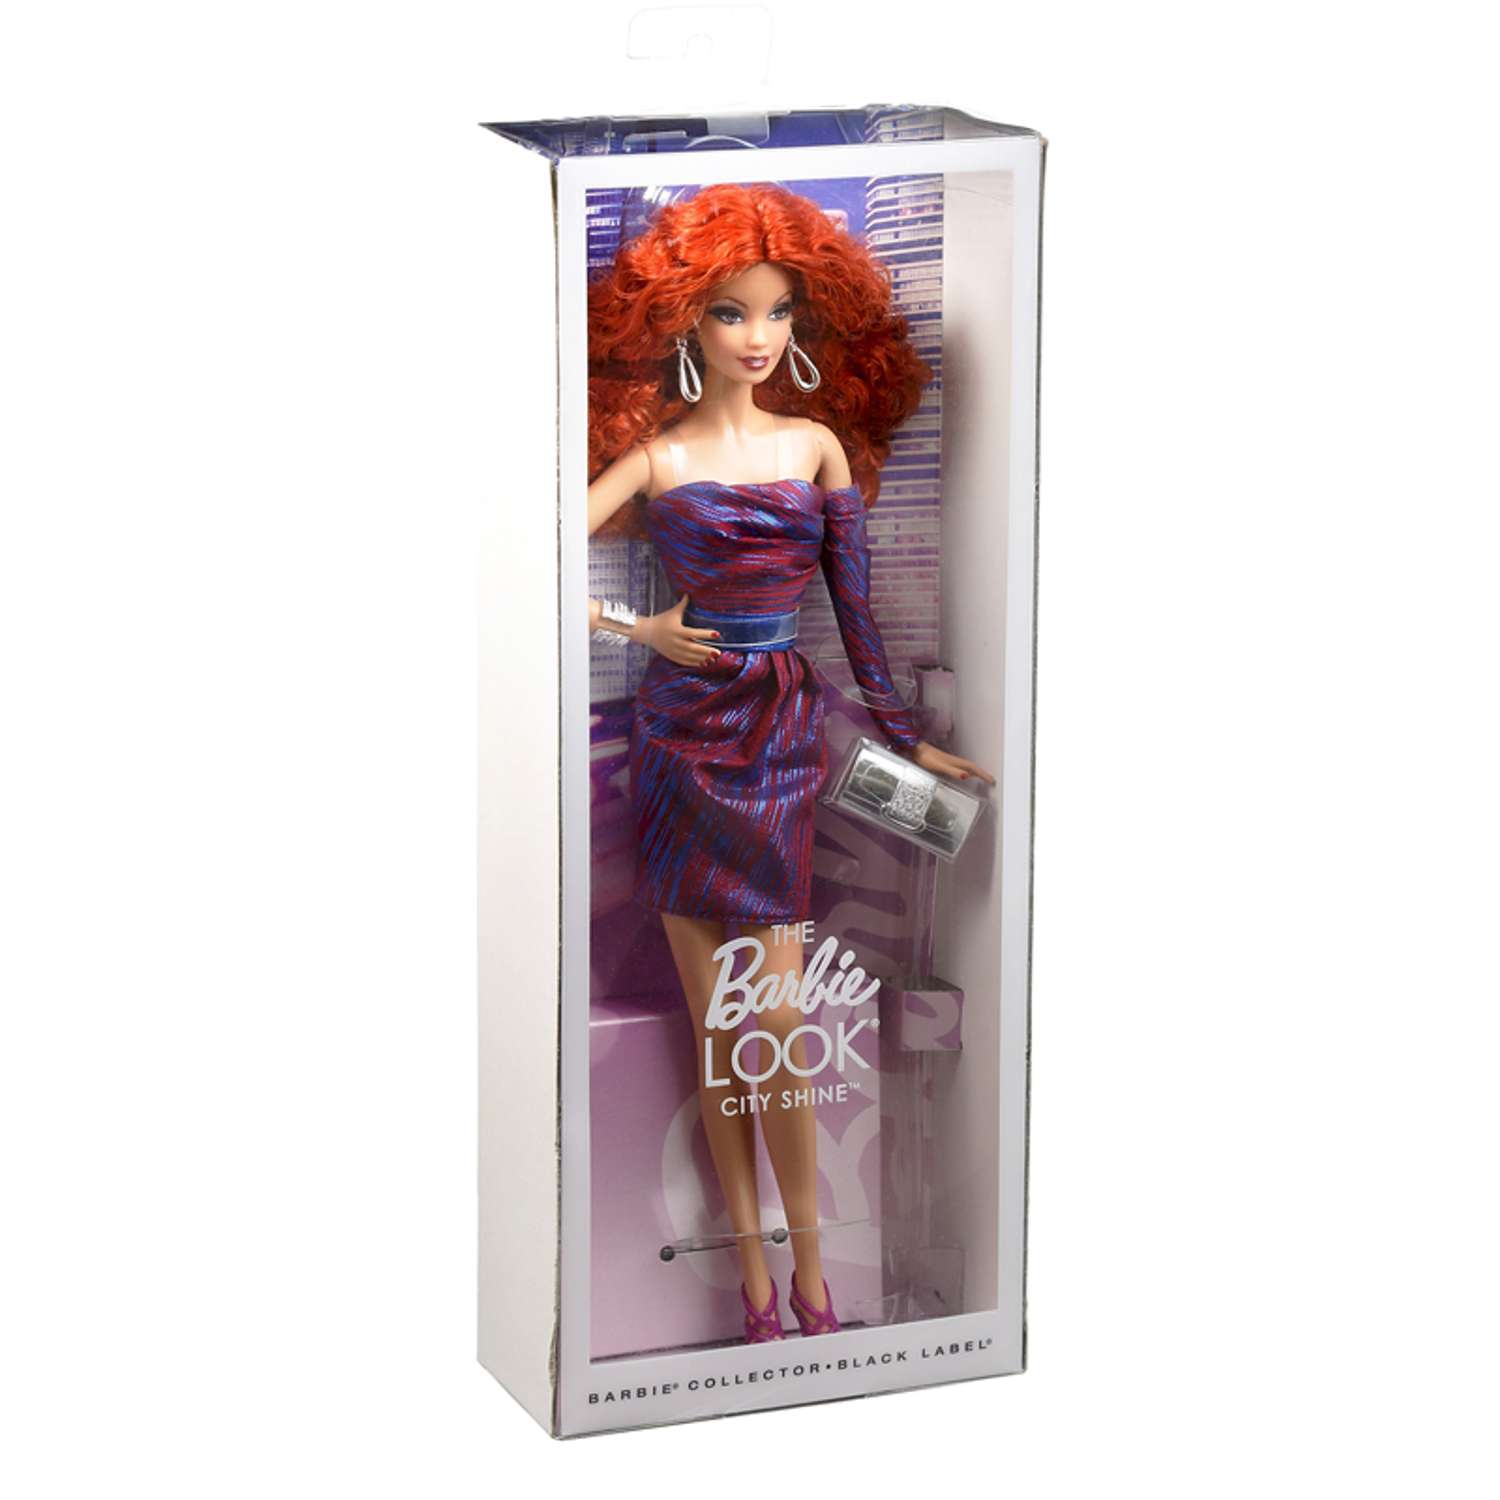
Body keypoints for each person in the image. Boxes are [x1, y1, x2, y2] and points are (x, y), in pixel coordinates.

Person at [585, 183, 994, 1343]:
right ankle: (758, 1289)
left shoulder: (817, 448)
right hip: (677, 735)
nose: (758, 336)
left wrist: (904, 735)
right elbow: (532, 551)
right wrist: (638, 629)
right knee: (718, 1034)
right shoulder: (658, 459)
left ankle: (816, 1275)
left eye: (777, 312)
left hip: (774, 736)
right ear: (683, 320)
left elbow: (855, 614)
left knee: (774, 1022)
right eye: (730, 311)